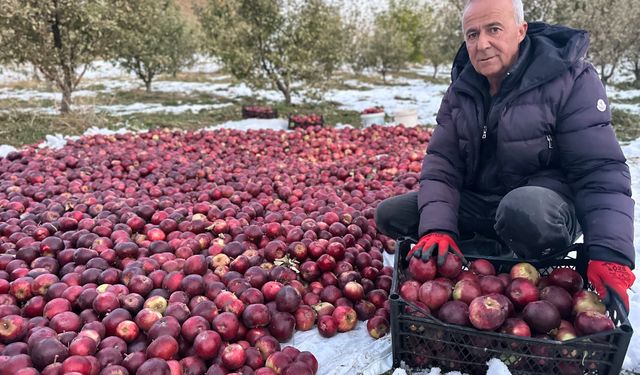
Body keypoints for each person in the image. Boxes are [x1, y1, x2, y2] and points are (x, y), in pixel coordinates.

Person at [375, 0, 636, 311]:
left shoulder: (570, 80)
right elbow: (442, 166)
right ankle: (486, 256)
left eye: (494, 29)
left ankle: (528, 256)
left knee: (521, 211)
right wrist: (438, 228)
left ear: (521, 31)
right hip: (486, 204)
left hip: (546, 207)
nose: (482, 43)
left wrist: (609, 252)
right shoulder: (462, 90)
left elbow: (599, 169)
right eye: (472, 34)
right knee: (392, 214)